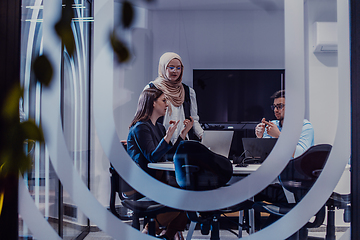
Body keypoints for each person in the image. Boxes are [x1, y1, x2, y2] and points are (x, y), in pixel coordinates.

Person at [127, 87, 193, 240]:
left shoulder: (159, 127)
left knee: (190, 192)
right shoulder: (140, 127)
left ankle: (168, 235)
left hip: (157, 177)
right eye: (164, 101)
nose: (167, 105)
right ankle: (150, 230)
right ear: (152, 103)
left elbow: (168, 154)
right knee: (184, 195)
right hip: (144, 181)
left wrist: (182, 134)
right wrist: (167, 137)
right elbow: (153, 157)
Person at [145, 52, 203, 143]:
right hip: (160, 142)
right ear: (163, 68)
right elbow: (144, 117)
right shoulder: (152, 88)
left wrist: (203, 136)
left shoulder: (188, 91)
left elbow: (194, 120)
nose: (175, 71)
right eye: (171, 67)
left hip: (183, 143)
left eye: (178, 68)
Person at [254, 89, 314, 158]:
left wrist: (279, 135)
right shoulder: (273, 125)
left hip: (296, 167)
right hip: (276, 166)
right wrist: (260, 137)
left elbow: (300, 154)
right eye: (274, 106)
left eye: (280, 106)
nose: (275, 110)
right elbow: (264, 153)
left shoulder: (305, 126)